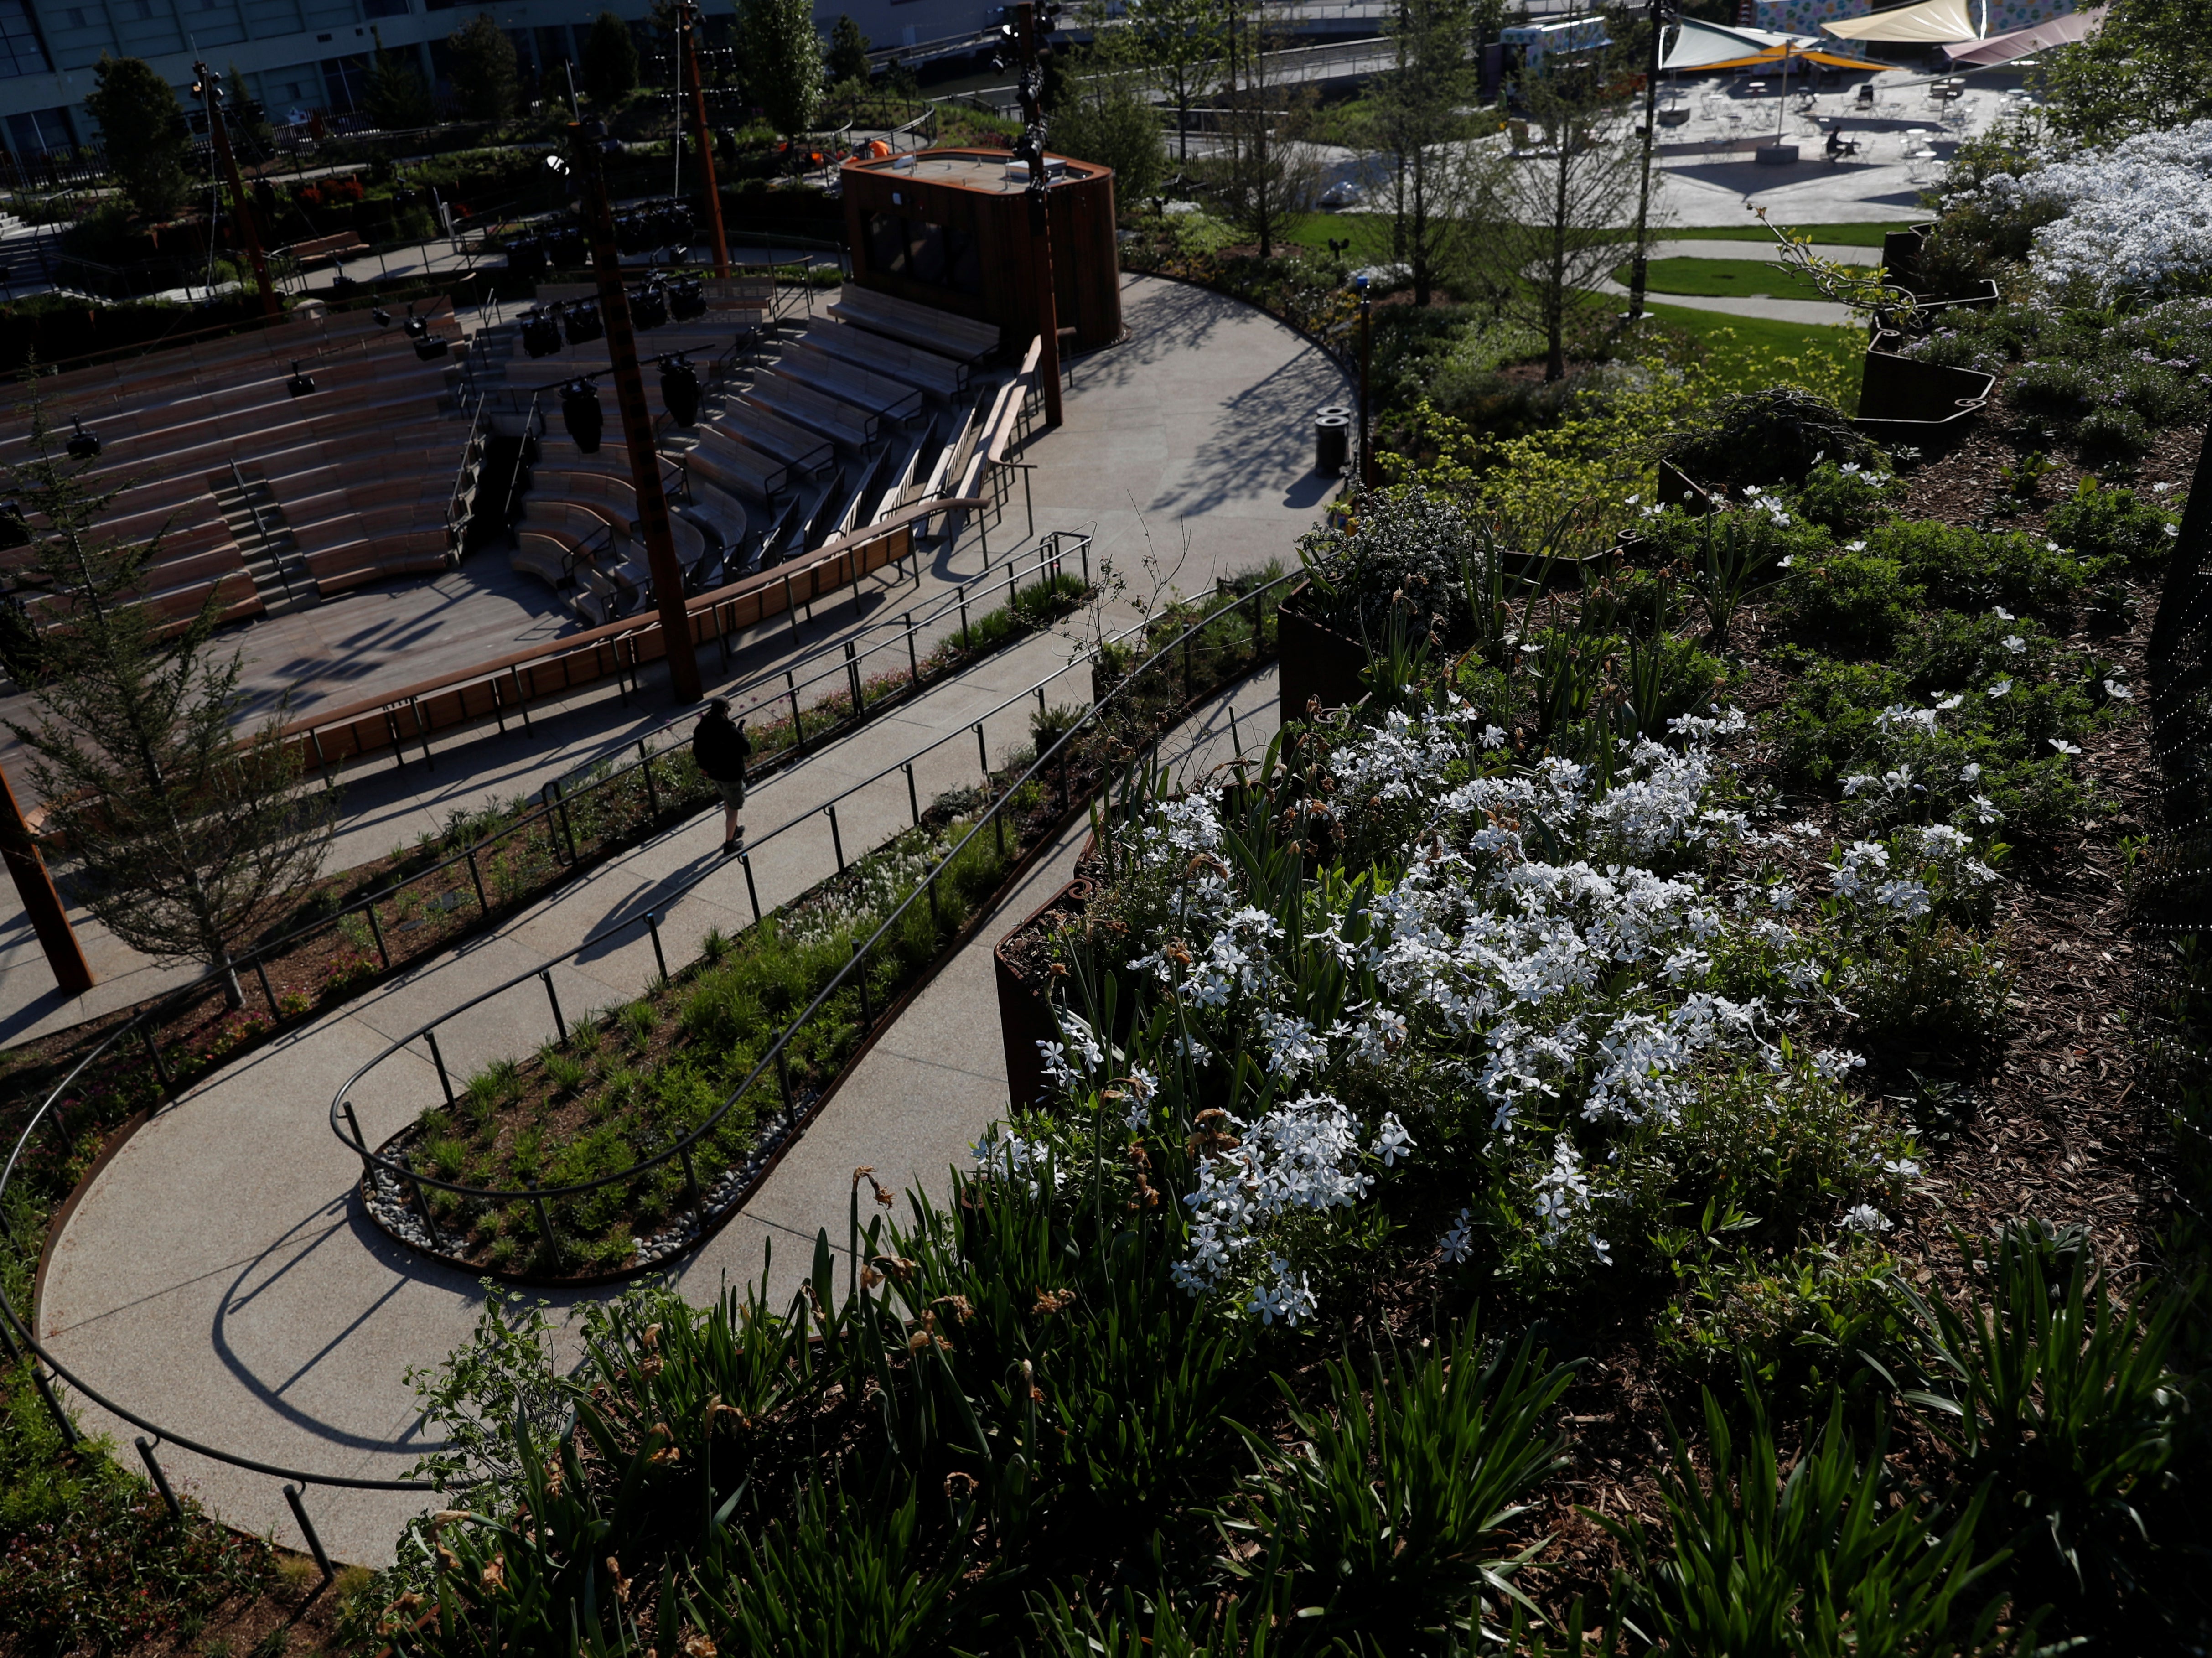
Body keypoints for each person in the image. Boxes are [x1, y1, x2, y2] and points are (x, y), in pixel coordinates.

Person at [693, 697, 753, 854]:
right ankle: (729, 843)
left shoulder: (702, 728)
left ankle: (734, 829)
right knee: (733, 807)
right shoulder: (728, 729)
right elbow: (747, 749)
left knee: (727, 799)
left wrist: (704, 768)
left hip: (714, 775)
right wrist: (742, 735)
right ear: (725, 710)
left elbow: (697, 751)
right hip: (731, 774)